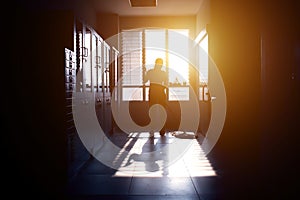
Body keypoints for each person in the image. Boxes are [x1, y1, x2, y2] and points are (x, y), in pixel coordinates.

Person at [144, 58, 168, 138]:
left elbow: (166, 83)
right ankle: (153, 129)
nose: (160, 66)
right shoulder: (151, 72)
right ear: (156, 63)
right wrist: (145, 72)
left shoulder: (161, 73)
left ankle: (161, 130)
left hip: (159, 92)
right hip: (154, 92)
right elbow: (144, 80)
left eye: (161, 64)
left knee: (161, 112)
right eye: (159, 64)